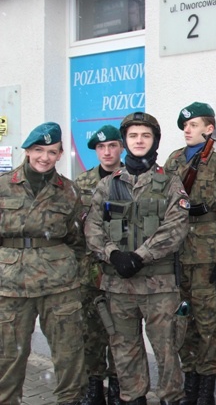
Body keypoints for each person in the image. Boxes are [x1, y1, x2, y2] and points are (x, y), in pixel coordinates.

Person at [84, 112, 190, 405]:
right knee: (125, 352)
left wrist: (140, 257)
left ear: (154, 140)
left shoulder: (169, 182)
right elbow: (92, 226)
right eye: (133, 136)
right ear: (125, 141)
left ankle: (172, 399)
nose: (139, 140)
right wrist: (113, 254)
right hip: (118, 287)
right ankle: (134, 399)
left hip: (159, 287)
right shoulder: (109, 185)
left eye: (146, 135)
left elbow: (176, 226)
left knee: (167, 352)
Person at [0, 122, 87, 404]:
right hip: (12, 287)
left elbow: (78, 239)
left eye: (51, 152)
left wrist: (68, 270)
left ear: (60, 154)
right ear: (27, 151)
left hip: (59, 287)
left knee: (69, 354)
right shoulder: (3, 187)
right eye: (38, 150)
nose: (44, 157)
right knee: (8, 357)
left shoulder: (69, 192)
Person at [164, 102, 216, 405]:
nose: (187, 130)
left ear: (209, 129)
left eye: (194, 125)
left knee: (207, 324)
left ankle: (205, 391)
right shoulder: (173, 160)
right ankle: (188, 385)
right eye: (185, 126)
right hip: (176, 254)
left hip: (207, 256)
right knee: (182, 320)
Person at [76, 125, 124, 405]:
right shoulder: (81, 183)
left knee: (119, 329)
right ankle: (94, 385)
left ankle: (118, 385)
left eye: (112, 146)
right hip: (90, 268)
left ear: (121, 148)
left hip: (119, 267)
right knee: (92, 331)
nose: (107, 152)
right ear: (96, 150)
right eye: (101, 148)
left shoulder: (130, 180)